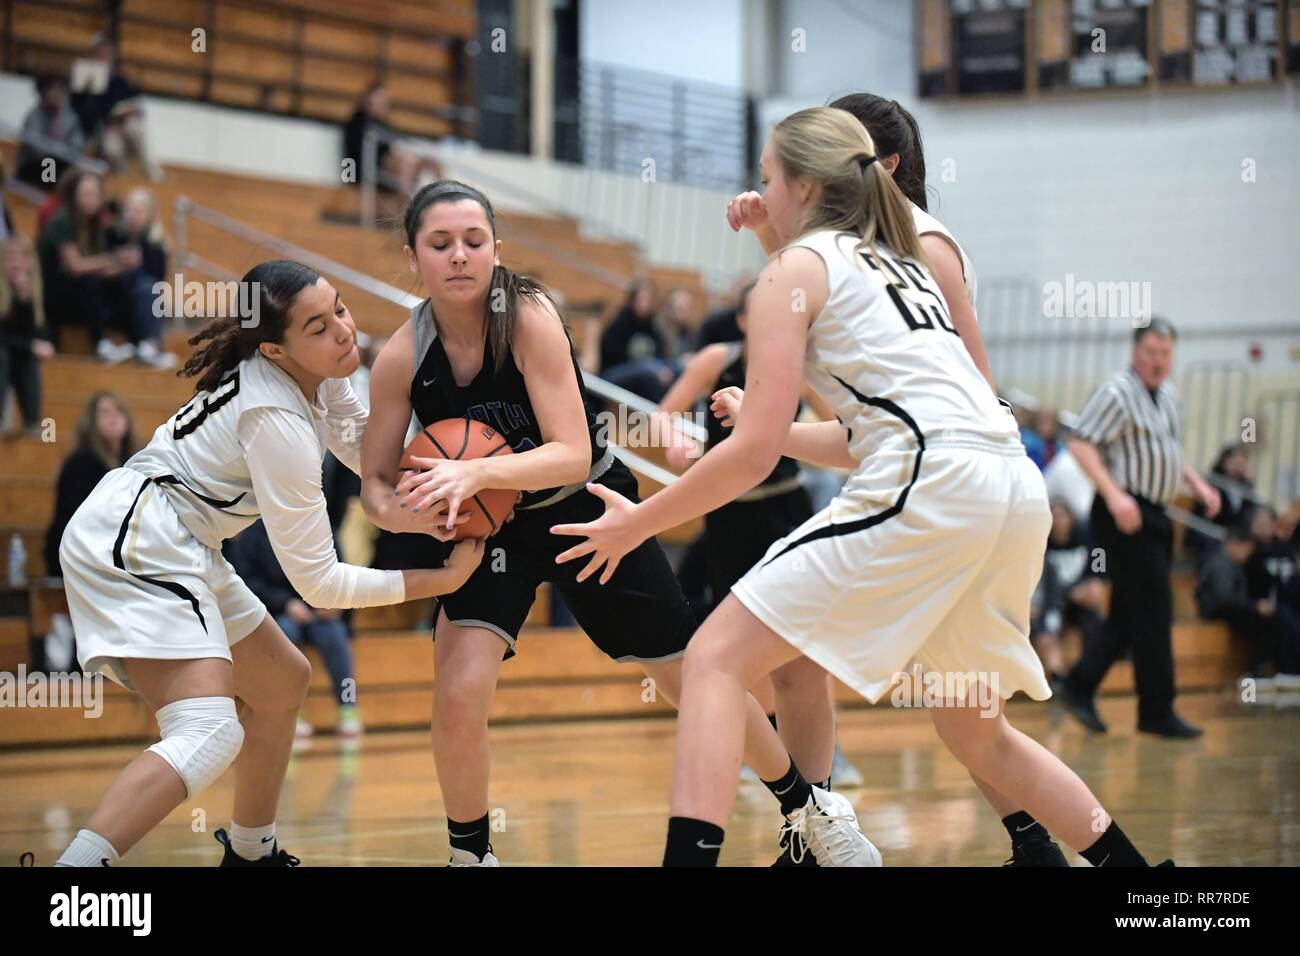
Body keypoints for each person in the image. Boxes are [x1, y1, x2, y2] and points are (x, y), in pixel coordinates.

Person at [555, 106, 1172, 869]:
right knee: (976, 729)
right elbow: (867, 434)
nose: (758, 193)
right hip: (1009, 484)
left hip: (937, 478)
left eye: (765, 179)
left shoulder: (796, 272)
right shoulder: (896, 263)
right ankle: (1152, 892)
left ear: (804, 186)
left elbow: (754, 456)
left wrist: (639, 521)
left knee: (712, 657)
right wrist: (771, 254)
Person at [360, 180, 878, 867]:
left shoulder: (528, 315)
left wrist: (476, 473)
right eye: (441, 243)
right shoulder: (403, 355)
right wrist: (420, 521)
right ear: (412, 255)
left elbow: (570, 450)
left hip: (588, 508)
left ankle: (806, 807)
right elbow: (373, 483)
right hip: (494, 531)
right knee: (456, 695)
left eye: (474, 241)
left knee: (690, 676)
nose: (459, 256)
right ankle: (471, 856)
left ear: (496, 250)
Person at [43, 260, 483, 868]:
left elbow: (368, 453)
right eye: (318, 326)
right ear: (275, 347)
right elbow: (321, 581)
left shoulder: (319, 373)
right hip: (136, 538)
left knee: (281, 682)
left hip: (181, 535)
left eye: (340, 309)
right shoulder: (276, 421)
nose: (342, 331)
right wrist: (442, 580)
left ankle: (251, 854)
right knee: (208, 731)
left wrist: (453, 489)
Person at [720, 91, 1065, 865]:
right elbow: (831, 346)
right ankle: (822, 832)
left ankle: (1030, 839)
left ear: (878, 166)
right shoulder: (853, 248)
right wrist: (770, 233)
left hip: (947, 474)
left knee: (956, 695)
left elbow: (967, 385)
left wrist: (761, 428)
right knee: (916, 685)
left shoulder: (922, 242)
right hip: (916, 465)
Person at [1058, 320, 1222, 739]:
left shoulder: (1169, 396)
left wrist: (1198, 484)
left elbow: (1168, 452)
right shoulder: (1115, 392)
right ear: (1135, 352)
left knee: (1132, 613)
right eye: (1150, 352)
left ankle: (1079, 685)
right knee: (1154, 610)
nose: (1158, 361)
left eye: (1165, 353)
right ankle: (1156, 710)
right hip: (1123, 512)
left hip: (1157, 513)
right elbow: (1080, 443)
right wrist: (1114, 495)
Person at [225, 519, 363, 737]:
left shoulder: (321, 525)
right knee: (284, 635)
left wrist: (337, 602)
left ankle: (348, 706)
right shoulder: (255, 532)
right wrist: (285, 604)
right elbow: (246, 581)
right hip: (278, 612)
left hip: (319, 612)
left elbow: (340, 571)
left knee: (337, 637)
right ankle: (293, 712)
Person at [35, 170, 137, 362]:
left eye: (95, 195)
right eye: (86, 194)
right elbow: (75, 266)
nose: (91, 200)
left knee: (121, 281)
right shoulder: (62, 220)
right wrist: (114, 257)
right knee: (92, 282)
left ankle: (136, 343)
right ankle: (99, 343)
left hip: (79, 291)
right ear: (74, 195)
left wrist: (124, 264)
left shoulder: (94, 225)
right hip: (52, 293)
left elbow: (101, 266)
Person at [1030, 500, 1105, 688]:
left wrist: (1097, 579)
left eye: (1063, 516)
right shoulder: (1041, 542)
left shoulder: (1086, 535)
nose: (1059, 522)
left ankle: (1087, 680)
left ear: (1071, 518)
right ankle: (1057, 679)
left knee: (1095, 623)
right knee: (1046, 627)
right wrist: (1070, 593)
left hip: (1079, 602)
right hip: (1052, 601)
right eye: (1055, 517)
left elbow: (1100, 552)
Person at [69, 35, 163, 181]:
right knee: (112, 147)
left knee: (136, 127)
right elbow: (83, 110)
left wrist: (125, 114)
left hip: (123, 126)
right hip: (102, 128)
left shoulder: (119, 81)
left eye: (107, 52)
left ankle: (152, 172)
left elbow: (137, 106)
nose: (104, 56)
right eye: (100, 52)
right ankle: (122, 175)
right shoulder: (84, 79)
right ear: (93, 54)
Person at [342, 81, 443, 195]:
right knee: (406, 160)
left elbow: (395, 143)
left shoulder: (384, 124)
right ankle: (407, 199)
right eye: (378, 102)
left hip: (389, 165)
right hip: (369, 168)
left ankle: (441, 196)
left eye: (384, 102)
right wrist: (350, 179)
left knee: (432, 161)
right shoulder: (357, 124)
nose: (382, 106)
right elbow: (352, 156)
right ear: (367, 101)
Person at [0, 237, 54, 435]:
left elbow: (39, 334)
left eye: (23, 258)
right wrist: (30, 345)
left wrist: (24, 299)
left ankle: (32, 424)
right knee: (3, 356)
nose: (17, 264)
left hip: (18, 358)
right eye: (11, 258)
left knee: (29, 360)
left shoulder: (35, 294)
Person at [598, 279, 677, 402]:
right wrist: (652, 367)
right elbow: (615, 357)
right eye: (641, 299)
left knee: (676, 369)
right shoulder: (619, 324)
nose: (644, 305)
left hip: (645, 376)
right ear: (632, 300)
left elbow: (662, 356)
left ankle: (666, 413)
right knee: (647, 369)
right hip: (613, 374)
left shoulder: (654, 327)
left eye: (648, 301)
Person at [15, 75, 85, 188]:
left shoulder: (70, 116)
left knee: (80, 173)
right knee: (50, 164)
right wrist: (61, 152)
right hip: (34, 164)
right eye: (53, 91)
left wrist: (62, 154)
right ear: (43, 94)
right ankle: (46, 198)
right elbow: (37, 149)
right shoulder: (34, 116)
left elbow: (77, 145)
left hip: (62, 162)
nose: (57, 95)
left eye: (60, 91)